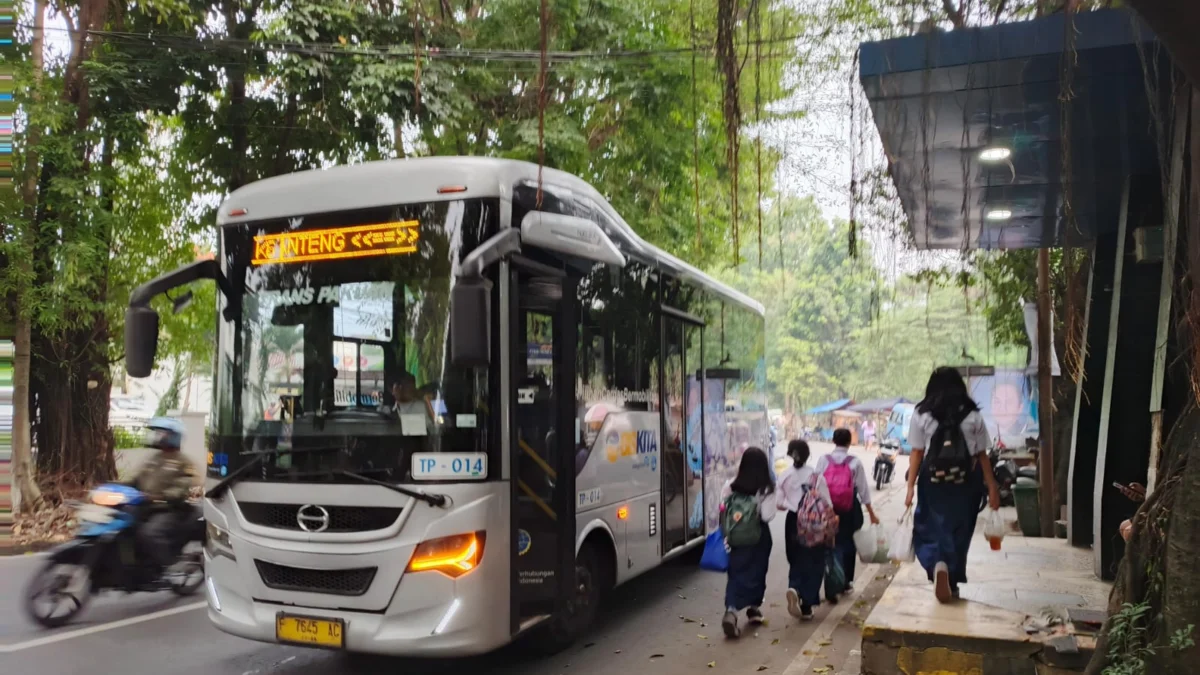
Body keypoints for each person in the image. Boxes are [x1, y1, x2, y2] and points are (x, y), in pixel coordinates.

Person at [905, 367, 1002, 603]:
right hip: (967, 482)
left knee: (929, 526)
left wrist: (909, 487)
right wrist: (992, 487)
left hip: (933, 481)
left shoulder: (921, 413)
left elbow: (917, 453)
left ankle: (937, 564)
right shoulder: (973, 414)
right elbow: (981, 455)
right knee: (960, 529)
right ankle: (953, 579)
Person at [130, 417, 196, 588]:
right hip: (146, 506)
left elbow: (182, 489)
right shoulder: (153, 459)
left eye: (163, 434)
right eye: (158, 433)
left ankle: (170, 567)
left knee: (149, 533)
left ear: (174, 437)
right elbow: (135, 479)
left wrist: (161, 496)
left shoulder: (183, 462)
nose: (159, 436)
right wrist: (112, 487)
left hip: (170, 510)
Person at [815, 428, 879, 602]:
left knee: (830, 546)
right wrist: (871, 513)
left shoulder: (823, 460)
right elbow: (863, 489)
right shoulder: (855, 462)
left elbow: (815, 485)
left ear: (834, 441)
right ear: (849, 442)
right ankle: (846, 582)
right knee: (848, 544)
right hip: (850, 509)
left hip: (827, 509)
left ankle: (831, 584)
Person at [720, 447, 778, 638]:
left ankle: (732, 610)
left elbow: (722, 508)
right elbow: (768, 516)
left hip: (735, 536)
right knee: (757, 572)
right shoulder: (767, 489)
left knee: (736, 573)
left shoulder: (730, 485)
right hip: (758, 537)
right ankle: (753, 607)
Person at [777, 440, 833, 621]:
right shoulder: (817, 477)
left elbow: (779, 503)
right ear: (808, 455)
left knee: (795, 557)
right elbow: (828, 503)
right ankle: (807, 605)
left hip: (793, 521)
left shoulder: (784, 475)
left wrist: (794, 506)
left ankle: (794, 587)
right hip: (814, 524)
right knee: (815, 560)